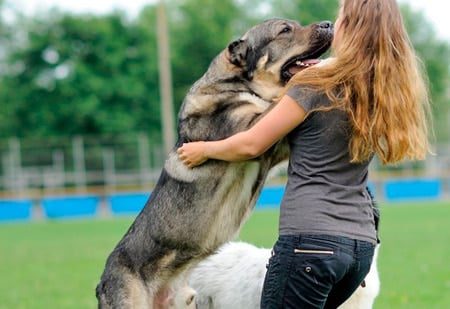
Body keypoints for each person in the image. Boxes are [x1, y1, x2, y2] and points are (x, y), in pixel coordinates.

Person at [177, 0, 431, 307]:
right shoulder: (378, 88)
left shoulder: (316, 83)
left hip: (310, 244)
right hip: (359, 250)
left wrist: (203, 149)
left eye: (341, 18)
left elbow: (251, 144)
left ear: (351, 27)